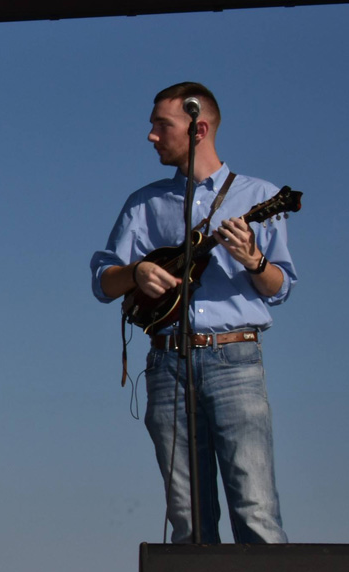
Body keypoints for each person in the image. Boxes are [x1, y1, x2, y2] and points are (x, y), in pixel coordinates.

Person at [91, 82, 296, 544]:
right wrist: (138, 272)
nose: (151, 135)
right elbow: (103, 280)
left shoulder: (261, 195)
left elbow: (281, 287)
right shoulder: (144, 203)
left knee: (256, 510)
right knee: (188, 519)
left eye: (161, 125)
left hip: (235, 362)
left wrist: (255, 262)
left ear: (198, 128)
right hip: (166, 363)